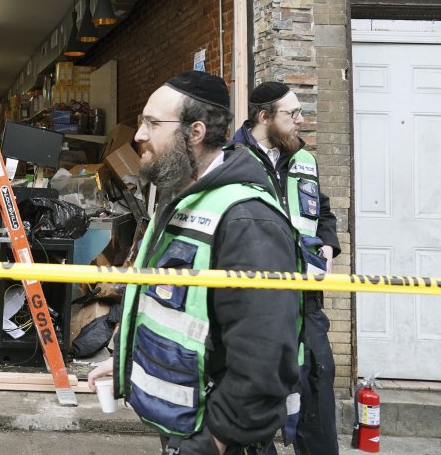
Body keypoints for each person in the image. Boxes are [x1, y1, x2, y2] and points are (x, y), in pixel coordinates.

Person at [88, 71, 301, 455]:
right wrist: (127, 363)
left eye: (152, 123)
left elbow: (264, 355)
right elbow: (166, 305)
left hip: (220, 439)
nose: (138, 134)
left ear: (196, 132)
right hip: (185, 426)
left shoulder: (245, 220)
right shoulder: (178, 201)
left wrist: (213, 442)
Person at [231, 82, 340, 455]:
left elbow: (323, 212)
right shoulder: (229, 161)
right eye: (292, 114)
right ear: (264, 117)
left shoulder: (303, 159)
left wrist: (328, 244)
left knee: (317, 388)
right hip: (252, 305)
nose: (301, 120)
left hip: (305, 300)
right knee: (256, 401)